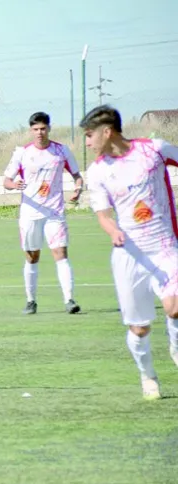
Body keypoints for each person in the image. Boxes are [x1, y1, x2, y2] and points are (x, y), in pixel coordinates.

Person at [82, 105, 178, 400]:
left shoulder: (155, 151)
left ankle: (175, 346)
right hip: (129, 255)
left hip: (164, 246)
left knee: (175, 307)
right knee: (139, 328)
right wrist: (113, 232)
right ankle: (147, 375)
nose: (87, 142)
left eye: (89, 135)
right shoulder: (98, 172)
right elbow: (103, 215)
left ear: (107, 131)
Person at [3, 112, 84, 315]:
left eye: (43, 128)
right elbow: (6, 181)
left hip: (54, 212)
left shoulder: (61, 151)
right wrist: (14, 184)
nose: (40, 132)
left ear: (49, 128)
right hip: (30, 213)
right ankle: (31, 301)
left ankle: (69, 300)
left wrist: (78, 187)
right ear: (31, 130)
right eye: (36, 129)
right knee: (32, 256)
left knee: (61, 253)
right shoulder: (22, 153)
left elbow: (77, 175)